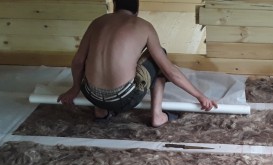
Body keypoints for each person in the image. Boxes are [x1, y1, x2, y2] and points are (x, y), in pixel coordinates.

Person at [58, 0, 218, 127]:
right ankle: (157, 115)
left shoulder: (97, 22)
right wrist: (200, 96)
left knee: (92, 56)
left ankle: (101, 112)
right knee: (159, 55)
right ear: (137, 9)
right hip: (124, 98)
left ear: (114, 5)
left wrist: (74, 88)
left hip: (91, 95)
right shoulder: (144, 26)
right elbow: (169, 71)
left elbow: (78, 61)